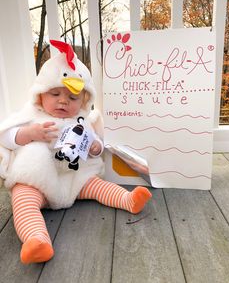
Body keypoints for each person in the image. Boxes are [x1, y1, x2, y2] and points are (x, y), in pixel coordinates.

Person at [0, 40, 152, 265]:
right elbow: (5, 138)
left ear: (83, 100)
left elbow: (96, 147)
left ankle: (128, 199)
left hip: (74, 179)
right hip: (37, 181)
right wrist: (28, 133)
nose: (63, 101)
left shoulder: (82, 121)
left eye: (72, 98)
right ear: (40, 95)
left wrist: (95, 148)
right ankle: (37, 239)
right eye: (54, 94)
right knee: (22, 200)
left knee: (97, 186)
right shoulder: (31, 116)